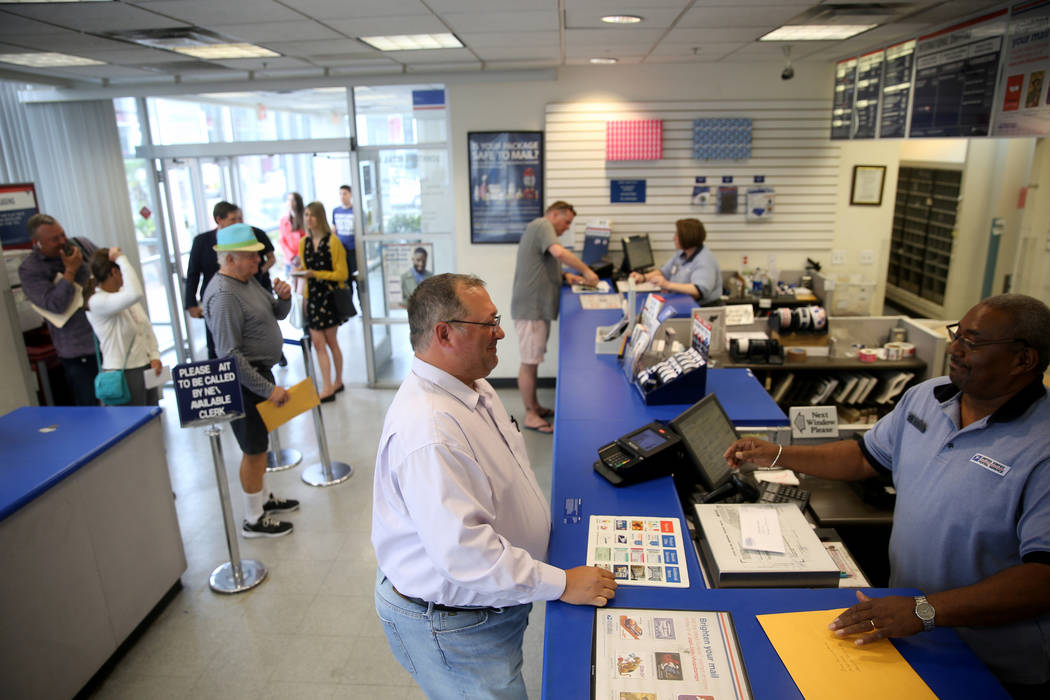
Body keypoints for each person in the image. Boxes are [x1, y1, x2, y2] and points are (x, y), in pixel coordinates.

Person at [723, 293, 1050, 698]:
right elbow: (863, 458)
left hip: (993, 662)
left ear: (1024, 360)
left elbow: (1041, 580)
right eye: (957, 335)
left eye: (974, 342)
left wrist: (925, 610)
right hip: (909, 630)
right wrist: (776, 454)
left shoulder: (1042, 448)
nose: (956, 349)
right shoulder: (927, 397)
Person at [372, 273, 617, 699]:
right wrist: (562, 583)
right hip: (456, 626)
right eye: (489, 324)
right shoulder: (429, 431)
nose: (501, 332)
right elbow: (467, 555)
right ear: (444, 333)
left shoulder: (472, 385)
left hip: (492, 602)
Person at [202, 224, 300, 538]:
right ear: (230, 259)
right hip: (245, 383)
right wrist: (266, 389)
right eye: (252, 256)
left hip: (260, 375)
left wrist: (284, 299)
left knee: (260, 445)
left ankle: (263, 498)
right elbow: (229, 356)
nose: (260, 261)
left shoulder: (247, 281)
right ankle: (253, 519)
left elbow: (276, 313)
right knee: (254, 450)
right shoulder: (224, 295)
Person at [510, 201, 599, 433]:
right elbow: (558, 252)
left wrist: (567, 276)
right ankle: (530, 415)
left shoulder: (539, 229)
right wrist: (586, 271)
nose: (567, 227)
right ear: (554, 214)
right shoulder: (542, 224)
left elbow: (543, 264)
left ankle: (535, 406)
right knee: (529, 363)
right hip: (532, 309)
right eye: (566, 221)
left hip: (537, 309)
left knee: (533, 360)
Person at [19, 214, 100, 406]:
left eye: (62, 234)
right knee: (91, 409)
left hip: (108, 338)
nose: (63, 241)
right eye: (54, 239)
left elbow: (108, 271)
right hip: (79, 349)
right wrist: (70, 271)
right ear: (37, 243)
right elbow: (55, 304)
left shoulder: (81, 245)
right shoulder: (30, 269)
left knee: (124, 402)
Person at [184, 201, 275, 358]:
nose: (238, 223)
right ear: (219, 220)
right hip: (221, 298)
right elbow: (193, 273)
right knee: (220, 346)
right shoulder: (202, 242)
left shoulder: (253, 234)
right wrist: (191, 303)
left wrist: (258, 273)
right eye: (233, 219)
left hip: (249, 293)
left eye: (240, 218)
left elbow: (269, 258)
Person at [84, 247, 163, 406]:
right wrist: (120, 258)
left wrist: (154, 355)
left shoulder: (121, 294)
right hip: (123, 372)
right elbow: (135, 293)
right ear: (114, 272)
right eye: (122, 272)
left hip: (145, 367)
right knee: (134, 426)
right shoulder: (97, 301)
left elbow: (144, 327)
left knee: (153, 421)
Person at [297, 201, 348, 402]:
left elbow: (341, 273)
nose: (308, 219)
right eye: (306, 215)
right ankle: (326, 386)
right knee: (318, 344)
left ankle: (338, 380)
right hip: (313, 299)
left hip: (329, 298)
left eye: (312, 215)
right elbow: (304, 269)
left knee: (331, 342)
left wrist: (315, 274)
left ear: (320, 217)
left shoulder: (333, 242)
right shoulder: (304, 243)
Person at [629, 218, 722, 305]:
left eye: (677, 235)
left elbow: (699, 291)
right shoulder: (682, 253)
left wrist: (667, 285)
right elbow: (664, 272)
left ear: (687, 237)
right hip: (680, 301)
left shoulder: (704, 260)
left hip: (699, 308)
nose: (674, 238)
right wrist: (643, 278)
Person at [331, 184, 358, 307]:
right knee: (345, 281)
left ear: (351, 195)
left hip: (354, 251)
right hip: (341, 252)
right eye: (341, 194)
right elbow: (334, 230)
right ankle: (349, 308)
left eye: (345, 194)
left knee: (357, 279)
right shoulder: (336, 211)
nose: (342, 196)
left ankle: (363, 308)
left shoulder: (356, 211)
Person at [279, 192, 306, 279]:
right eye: (288, 200)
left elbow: (307, 239)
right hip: (290, 260)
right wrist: (292, 256)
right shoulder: (284, 220)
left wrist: (299, 256)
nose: (290, 202)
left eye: (293, 200)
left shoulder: (305, 218)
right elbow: (282, 241)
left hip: (303, 259)